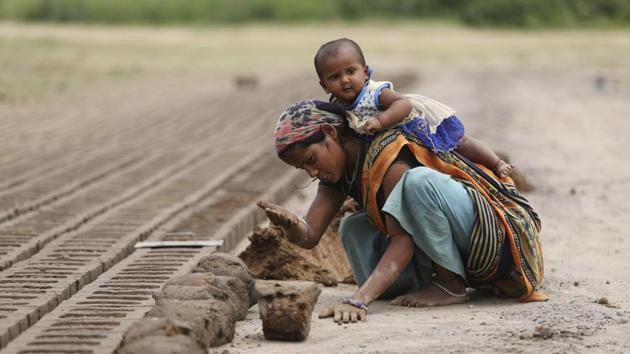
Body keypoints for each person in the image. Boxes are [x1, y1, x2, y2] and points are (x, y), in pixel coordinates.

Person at [260, 99, 546, 324]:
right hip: (460, 239)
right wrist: (291, 225)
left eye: (311, 159)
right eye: (304, 169)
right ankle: (415, 284)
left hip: (497, 240)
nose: (313, 171)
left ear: (329, 133)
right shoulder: (335, 175)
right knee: (354, 227)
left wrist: (358, 300)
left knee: (416, 183)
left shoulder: (386, 154)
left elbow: (403, 240)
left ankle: (450, 284)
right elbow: (309, 235)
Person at [314, 38, 513, 178]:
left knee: (459, 142)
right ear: (324, 85)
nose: (345, 80)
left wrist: (380, 120)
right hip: (391, 145)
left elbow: (404, 104)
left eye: (351, 71)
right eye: (334, 77)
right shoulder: (338, 105)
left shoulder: (374, 93)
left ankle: (496, 163)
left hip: (416, 127)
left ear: (365, 72)